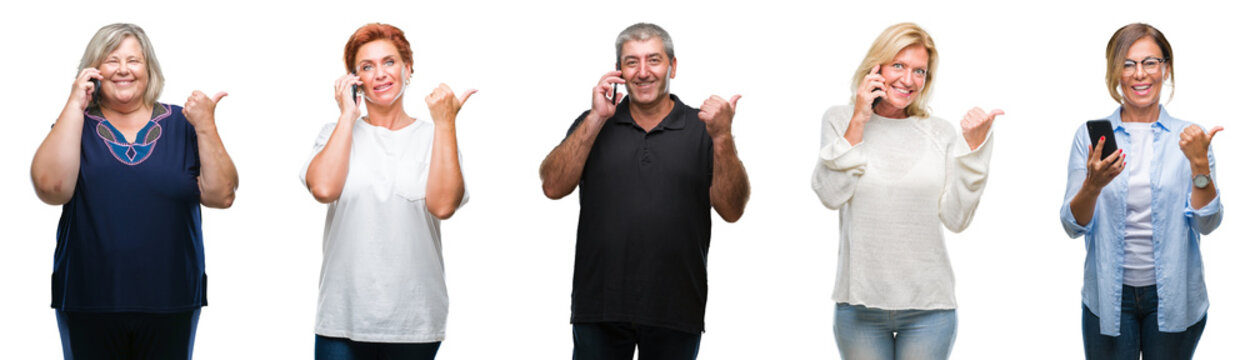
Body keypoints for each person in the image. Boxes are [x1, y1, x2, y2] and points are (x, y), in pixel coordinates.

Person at [539, 22, 750, 360]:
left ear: (673, 66)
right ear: (619, 70)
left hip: (676, 306)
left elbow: (732, 209)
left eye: (653, 60)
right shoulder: (594, 122)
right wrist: (596, 117)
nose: (642, 72)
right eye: (631, 62)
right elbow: (552, 186)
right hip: (600, 304)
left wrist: (722, 137)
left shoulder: (704, 130)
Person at [30, 23, 238, 359]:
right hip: (88, 299)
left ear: (149, 68)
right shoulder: (75, 123)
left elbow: (222, 195)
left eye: (133, 60)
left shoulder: (183, 123)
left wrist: (206, 125)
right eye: (112, 61)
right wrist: (74, 104)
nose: (124, 70)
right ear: (94, 71)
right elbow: (52, 188)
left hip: (171, 299)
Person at [810, 22, 1000, 359]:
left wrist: (972, 148)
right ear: (876, 66)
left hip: (929, 308)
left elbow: (956, 219)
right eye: (898, 65)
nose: (908, 80)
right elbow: (830, 194)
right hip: (859, 307)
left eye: (919, 71)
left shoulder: (939, 132)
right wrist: (859, 120)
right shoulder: (840, 120)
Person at [300, 23, 473, 360]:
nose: (380, 74)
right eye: (367, 66)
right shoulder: (333, 133)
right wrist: (348, 116)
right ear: (354, 79)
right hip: (342, 318)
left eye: (389, 62)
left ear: (408, 69)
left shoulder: (433, 136)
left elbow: (443, 206)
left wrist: (445, 123)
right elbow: (323, 188)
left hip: (413, 319)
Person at [1060, 23, 1222, 360]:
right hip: (1108, 295)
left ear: (1165, 68)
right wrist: (1093, 185)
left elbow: (1207, 224)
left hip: (1175, 296)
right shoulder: (1091, 138)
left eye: (1150, 62)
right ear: (1115, 72)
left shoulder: (1191, 138)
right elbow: (1072, 226)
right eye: (1128, 64)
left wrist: (1200, 168)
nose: (1140, 74)